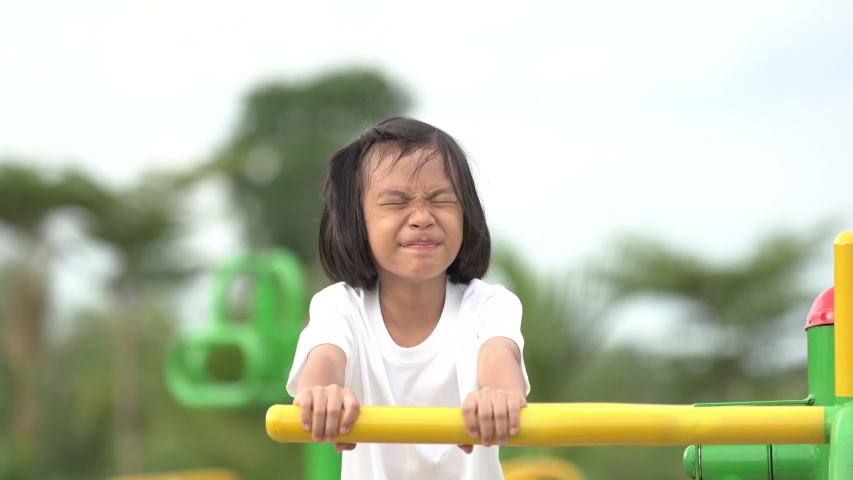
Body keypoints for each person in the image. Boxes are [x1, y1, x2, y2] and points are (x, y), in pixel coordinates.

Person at [286, 117, 529, 479]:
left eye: (440, 200)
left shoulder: (489, 306)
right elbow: (323, 363)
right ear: (357, 221)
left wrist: (498, 397)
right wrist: (322, 394)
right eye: (396, 202)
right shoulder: (340, 308)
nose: (421, 217)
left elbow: (499, 357)